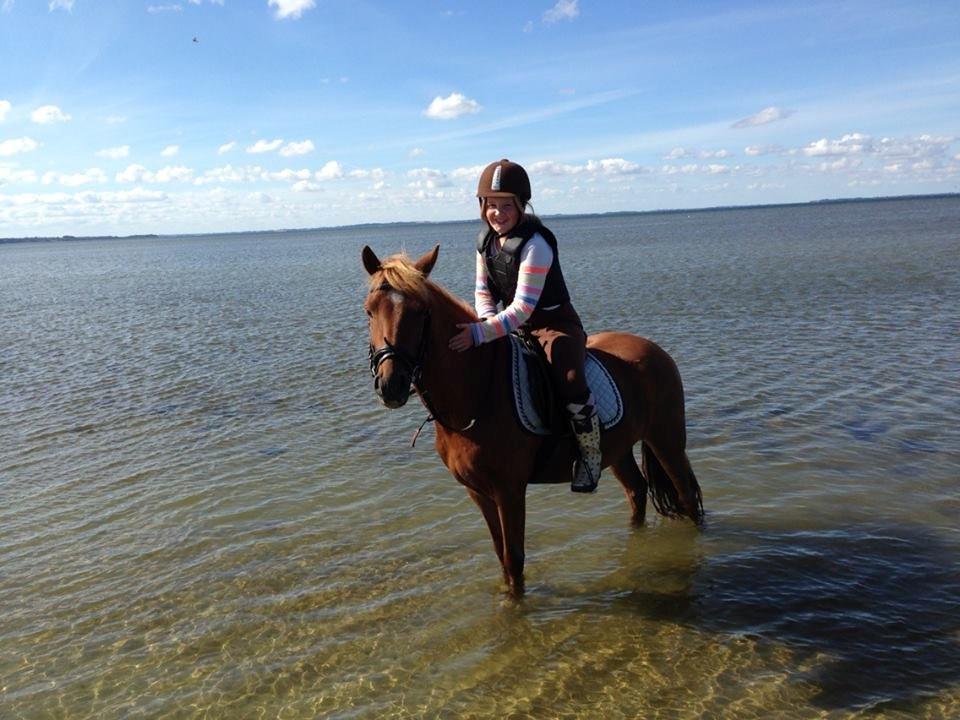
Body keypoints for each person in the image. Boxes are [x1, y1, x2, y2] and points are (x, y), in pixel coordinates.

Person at [448, 159, 601, 493]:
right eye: (491, 205)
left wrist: (478, 333)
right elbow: (483, 291)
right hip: (510, 325)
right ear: (482, 206)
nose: (497, 213)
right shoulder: (485, 242)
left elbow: (522, 308)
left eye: (507, 206)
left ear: (521, 206)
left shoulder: (536, 245)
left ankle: (590, 455)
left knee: (571, 378)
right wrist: (486, 321)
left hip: (553, 324)